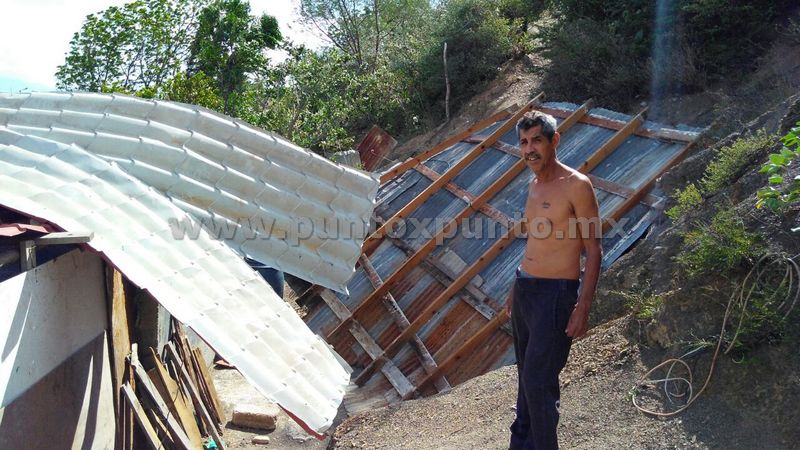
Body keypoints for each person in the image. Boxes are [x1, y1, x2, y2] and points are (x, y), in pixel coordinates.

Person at [506, 110, 602, 449]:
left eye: (536, 141)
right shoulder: (533, 185)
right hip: (526, 290)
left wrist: (583, 306)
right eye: (524, 142)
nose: (529, 149)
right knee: (524, 376)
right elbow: (536, 241)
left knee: (538, 379)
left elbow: (593, 248)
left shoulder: (577, 185)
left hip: (555, 294)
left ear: (554, 141)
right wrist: (516, 285)